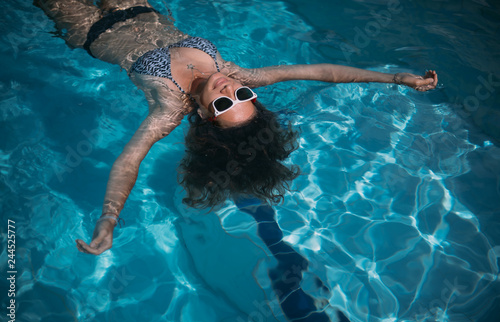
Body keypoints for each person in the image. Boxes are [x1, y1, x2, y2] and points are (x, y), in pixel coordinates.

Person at [35, 0, 438, 256]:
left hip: (88, 29)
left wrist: (108, 218)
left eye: (224, 103)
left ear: (209, 115)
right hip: (138, 7)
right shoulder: (240, 74)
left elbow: (128, 161)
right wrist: (395, 78)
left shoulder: (169, 106)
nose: (231, 90)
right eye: (242, 97)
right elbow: (322, 71)